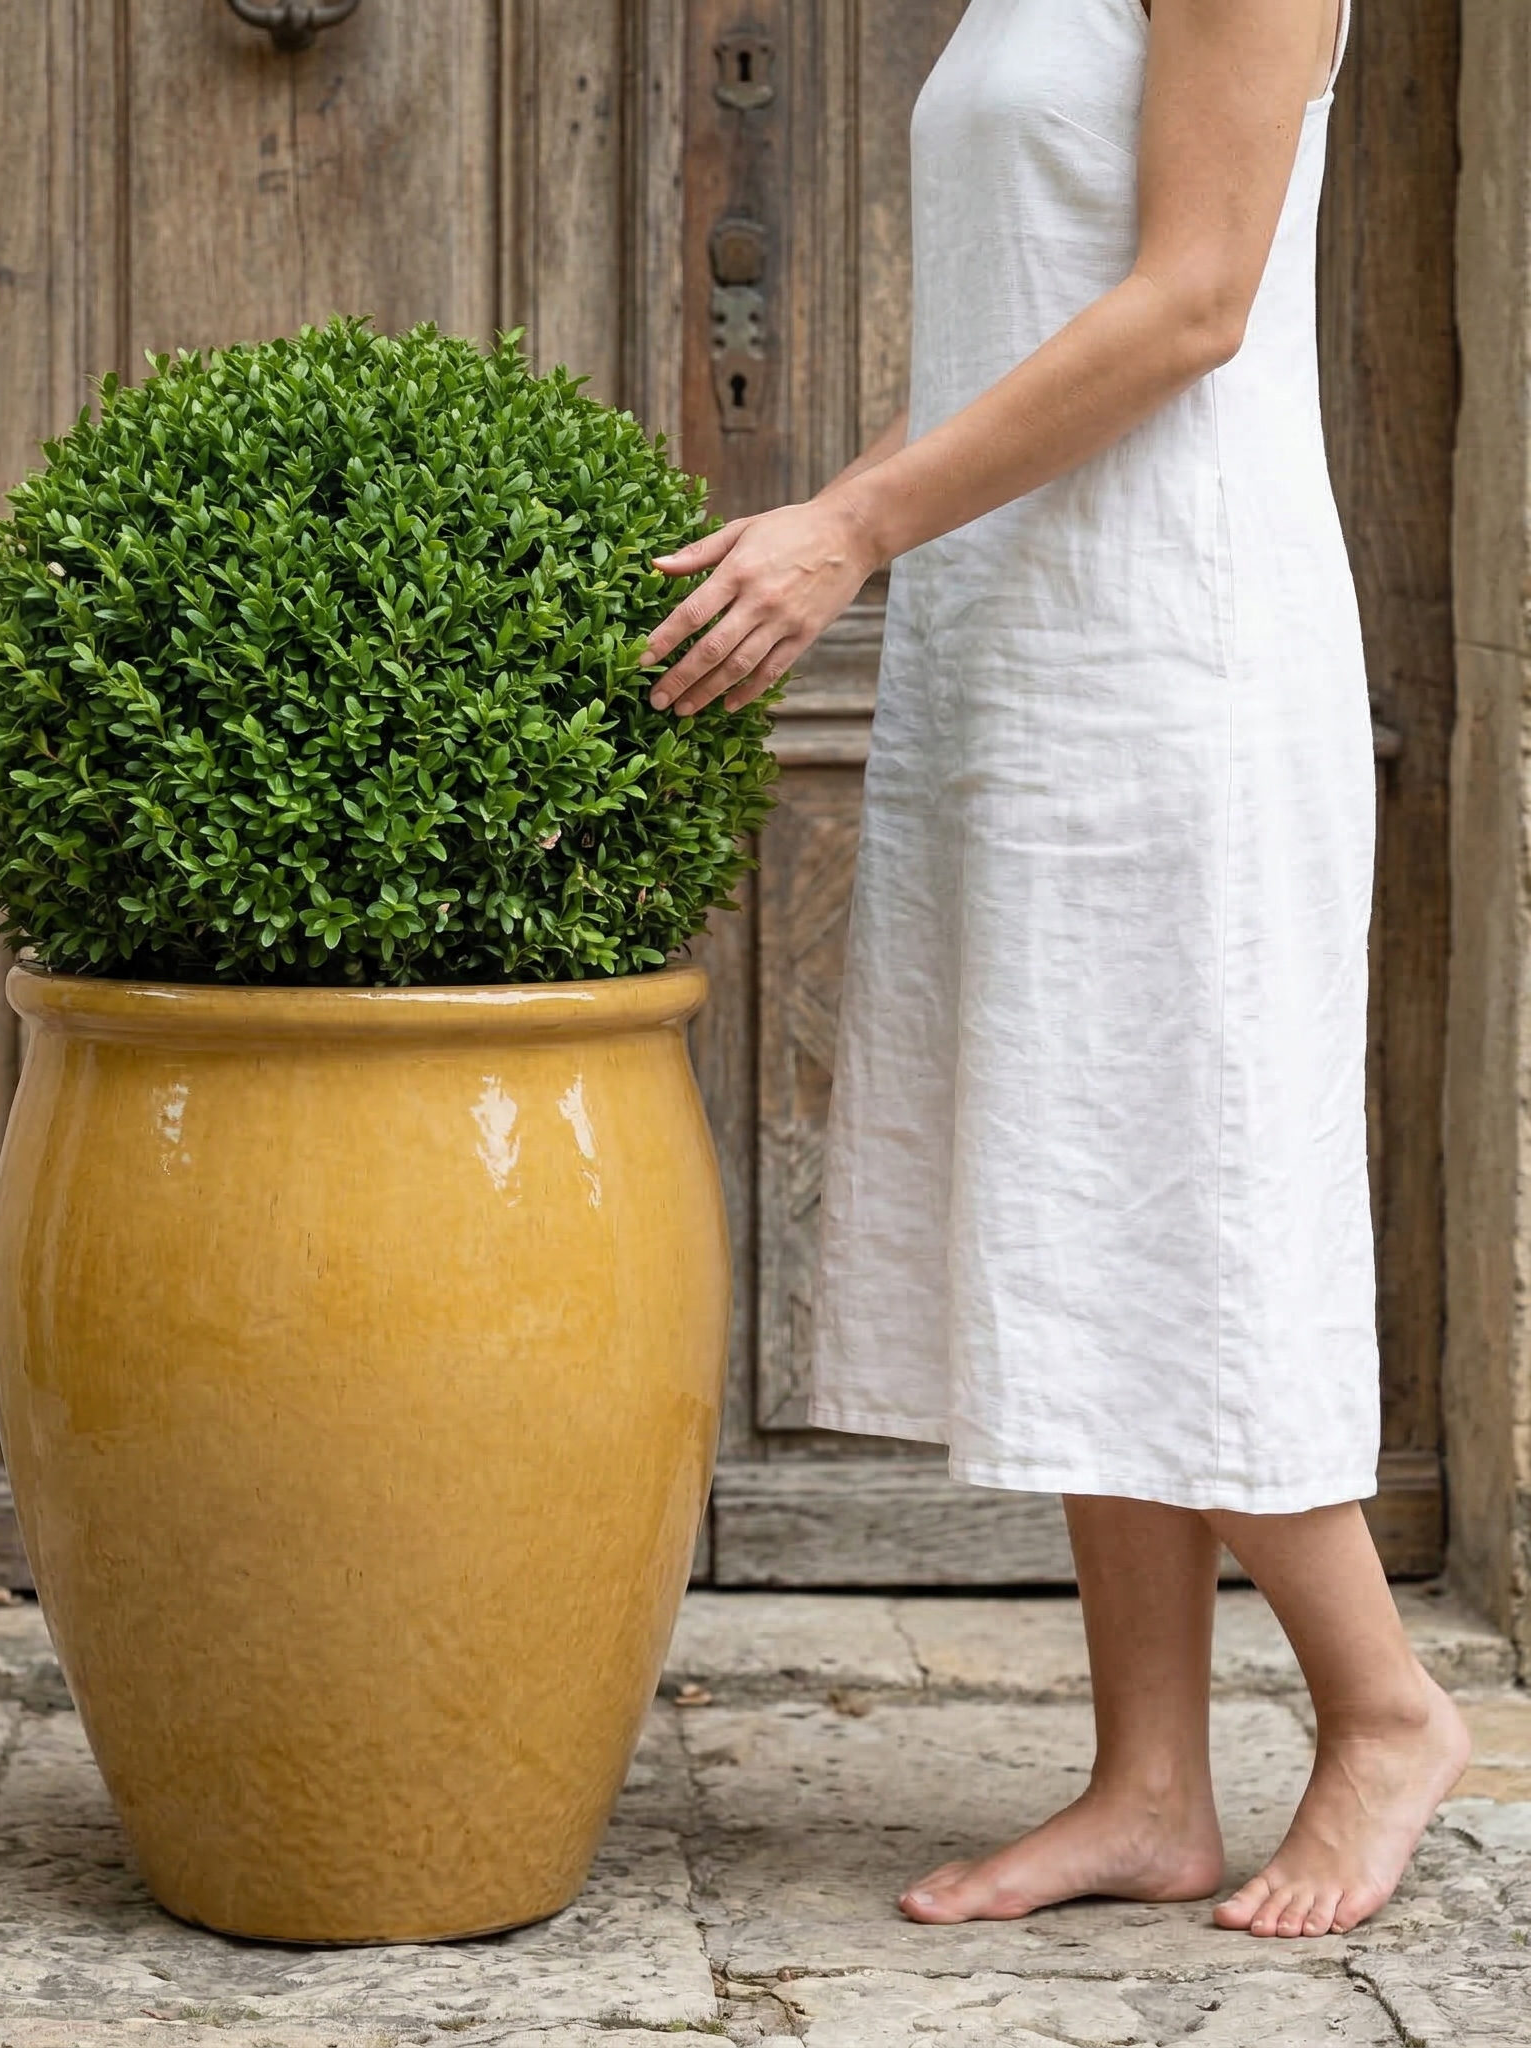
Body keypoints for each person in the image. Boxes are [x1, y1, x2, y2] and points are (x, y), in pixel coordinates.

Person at [640, 0, 1469, 1941]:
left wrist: (852, 525)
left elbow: (1191, 304)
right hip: (1031, 645)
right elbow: (1015, 332)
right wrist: (829, 526)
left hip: (1179, 651)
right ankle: (1148, 1787)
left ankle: (1384, 1708)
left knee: (1186, 1196)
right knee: (1088, 1189)